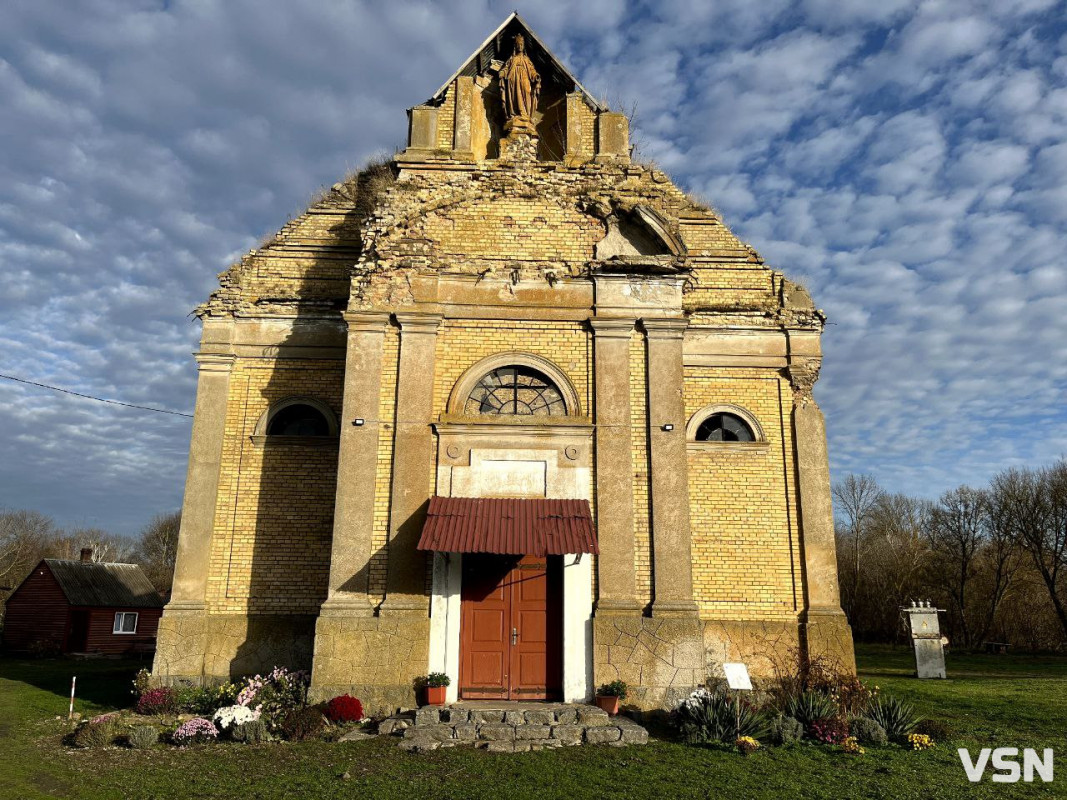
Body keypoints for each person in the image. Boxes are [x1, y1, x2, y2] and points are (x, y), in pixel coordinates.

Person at [500, 34, 540, 134]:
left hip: (525, 79)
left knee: (527, 92)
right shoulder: (511, 59)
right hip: (513, 80)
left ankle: (525, 115)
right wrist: (503, 73)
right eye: (518, 44)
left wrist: (536, 76)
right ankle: (515, 114)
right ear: (515, 46)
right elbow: (506, 68)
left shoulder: (526, 59)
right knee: (514, 97)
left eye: (521, 44)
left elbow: (532, 70)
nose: (520, 46)